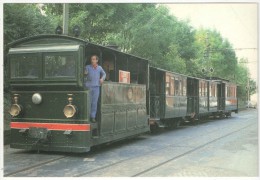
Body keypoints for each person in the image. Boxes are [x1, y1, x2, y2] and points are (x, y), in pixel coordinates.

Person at [85, 55, 106, 122]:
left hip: (96, 87)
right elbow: (84, 74)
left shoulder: (99, 68)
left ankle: (93, 117)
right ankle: (87, 117)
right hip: (88, 87)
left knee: (94, 103)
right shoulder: (87, 67)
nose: (92, 61)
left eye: (94, 59)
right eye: (92, 59)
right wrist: (85, 74)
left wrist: (102, 79)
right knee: (88, 102)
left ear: (97, 60)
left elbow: (104, 74)